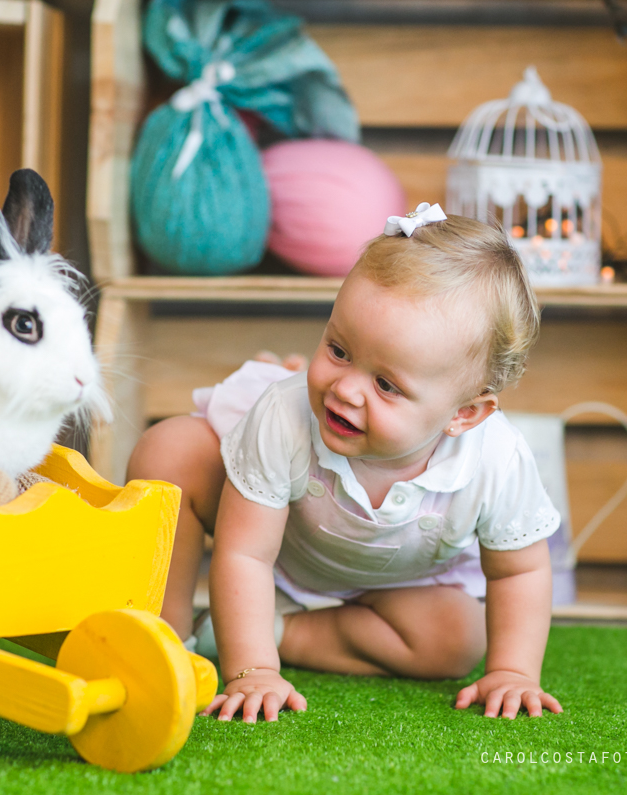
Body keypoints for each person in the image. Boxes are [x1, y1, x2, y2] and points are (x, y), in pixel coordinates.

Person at [127, 203, 564, 724]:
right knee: (170, 450)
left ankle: (278, 631)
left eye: (386, 385)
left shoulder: (496, 460)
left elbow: (521, 571)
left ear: (464, 414)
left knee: (458, 639)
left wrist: (514, 672)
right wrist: (253, 672)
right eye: (338, 350)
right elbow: (245, 555)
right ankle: (168, 633)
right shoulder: (286, 416)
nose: (346, 389)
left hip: (399, 586)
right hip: (275, 539)